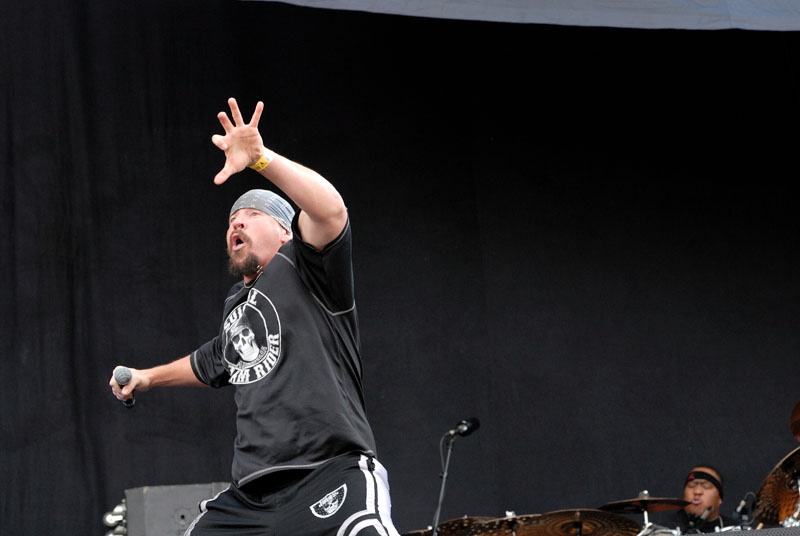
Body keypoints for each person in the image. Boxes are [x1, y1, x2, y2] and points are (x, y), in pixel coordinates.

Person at [109, 97, 401, 536]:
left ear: (285, 230)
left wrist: (261, 159)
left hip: (326, 472)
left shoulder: (307, 265)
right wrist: (147, 377)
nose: (237, 224)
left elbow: (331, 211)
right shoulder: (237, 303)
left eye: (251, 214)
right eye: (232, 220)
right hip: (251, 495)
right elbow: (212, 360)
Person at [655, 465, 736, 533]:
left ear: (720, 498)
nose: (697, 491)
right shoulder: (667, 528)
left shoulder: (735, 529)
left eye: (706, 486)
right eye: (691, 485)